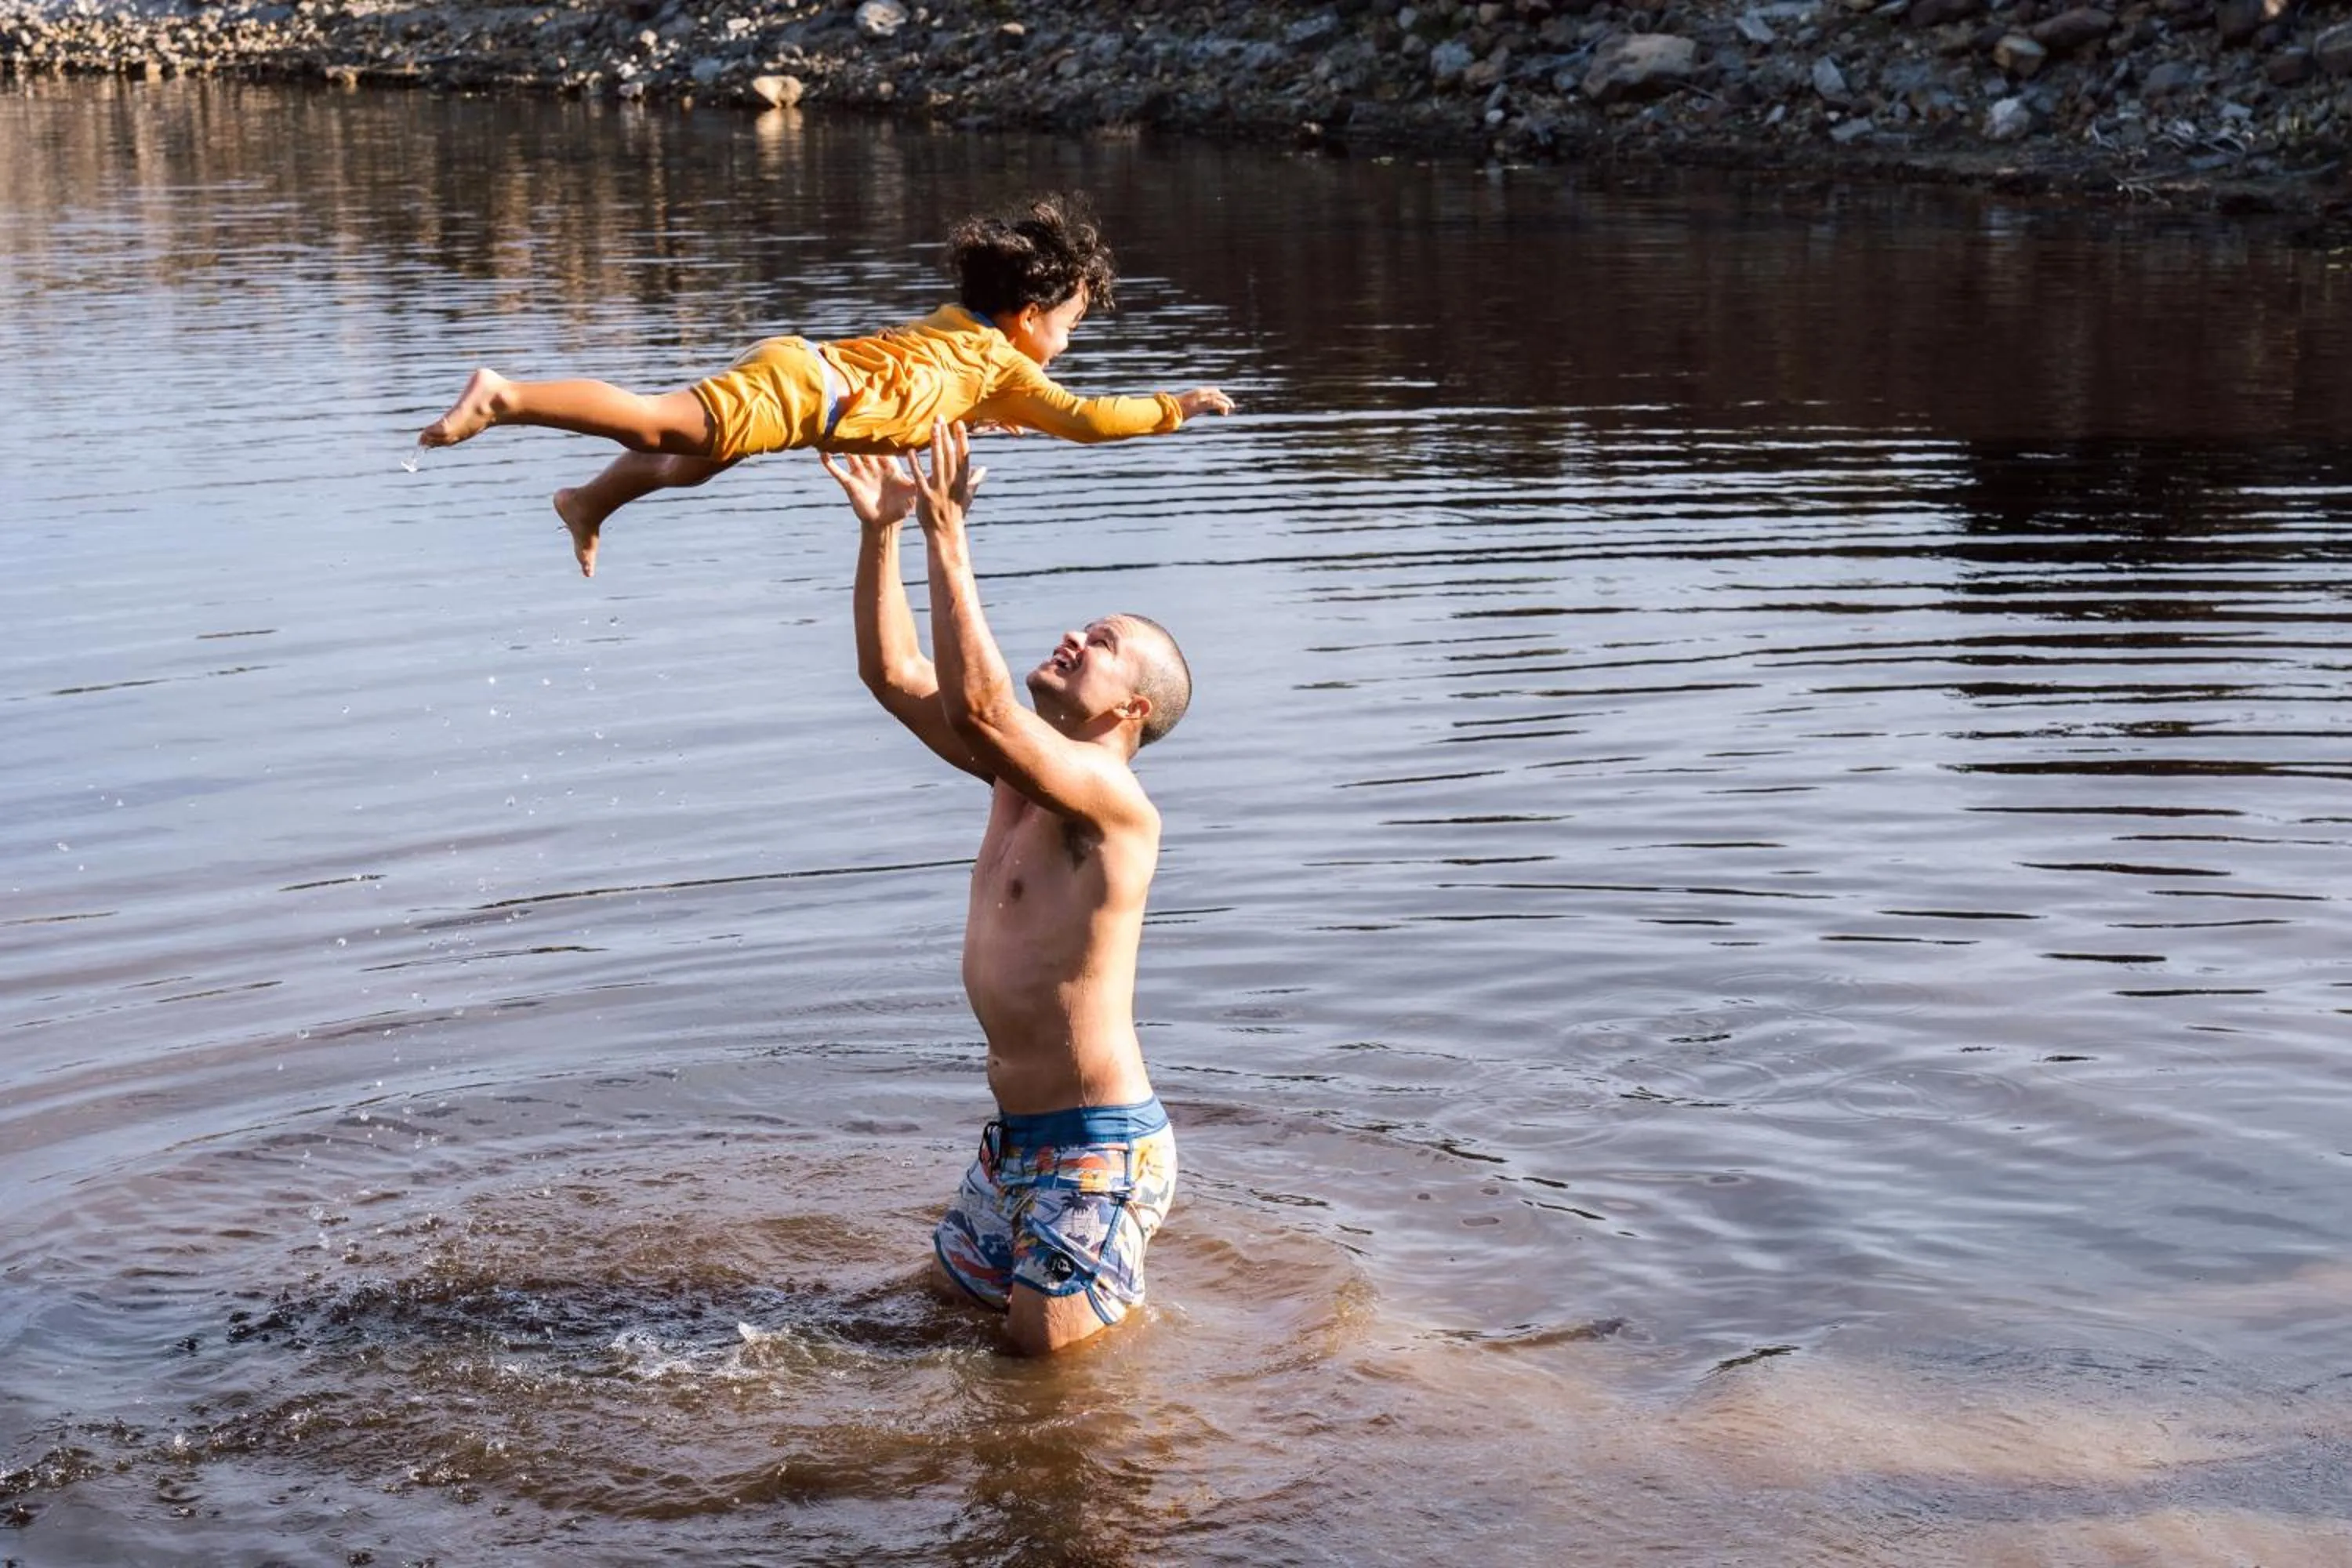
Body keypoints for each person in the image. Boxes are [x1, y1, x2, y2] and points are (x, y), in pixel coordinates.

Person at [822, 420, 1189, 1356]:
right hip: (1017, 1145)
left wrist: (952, 533)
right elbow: (894, 674)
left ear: (1131, 708)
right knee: (921, 1333)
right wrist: (886, 531)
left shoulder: (1113, 808)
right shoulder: (1015, 776)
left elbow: (981, 705)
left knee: (1055, 1405)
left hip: (1093, 1155)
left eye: (1100, 642)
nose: (1073, 635)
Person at [416, 193, 1235, 577]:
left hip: (802, 375)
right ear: (1028, 315)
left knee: (699, 460)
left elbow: (923, 389)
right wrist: (1175, 407)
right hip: (806, 397)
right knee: (659, 428)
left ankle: (589, 503)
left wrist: (979, 417)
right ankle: (505, 396)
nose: (1066, 347)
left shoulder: (967, 339)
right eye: (1071, 327)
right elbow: (1088, 421)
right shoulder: (1004, 363)